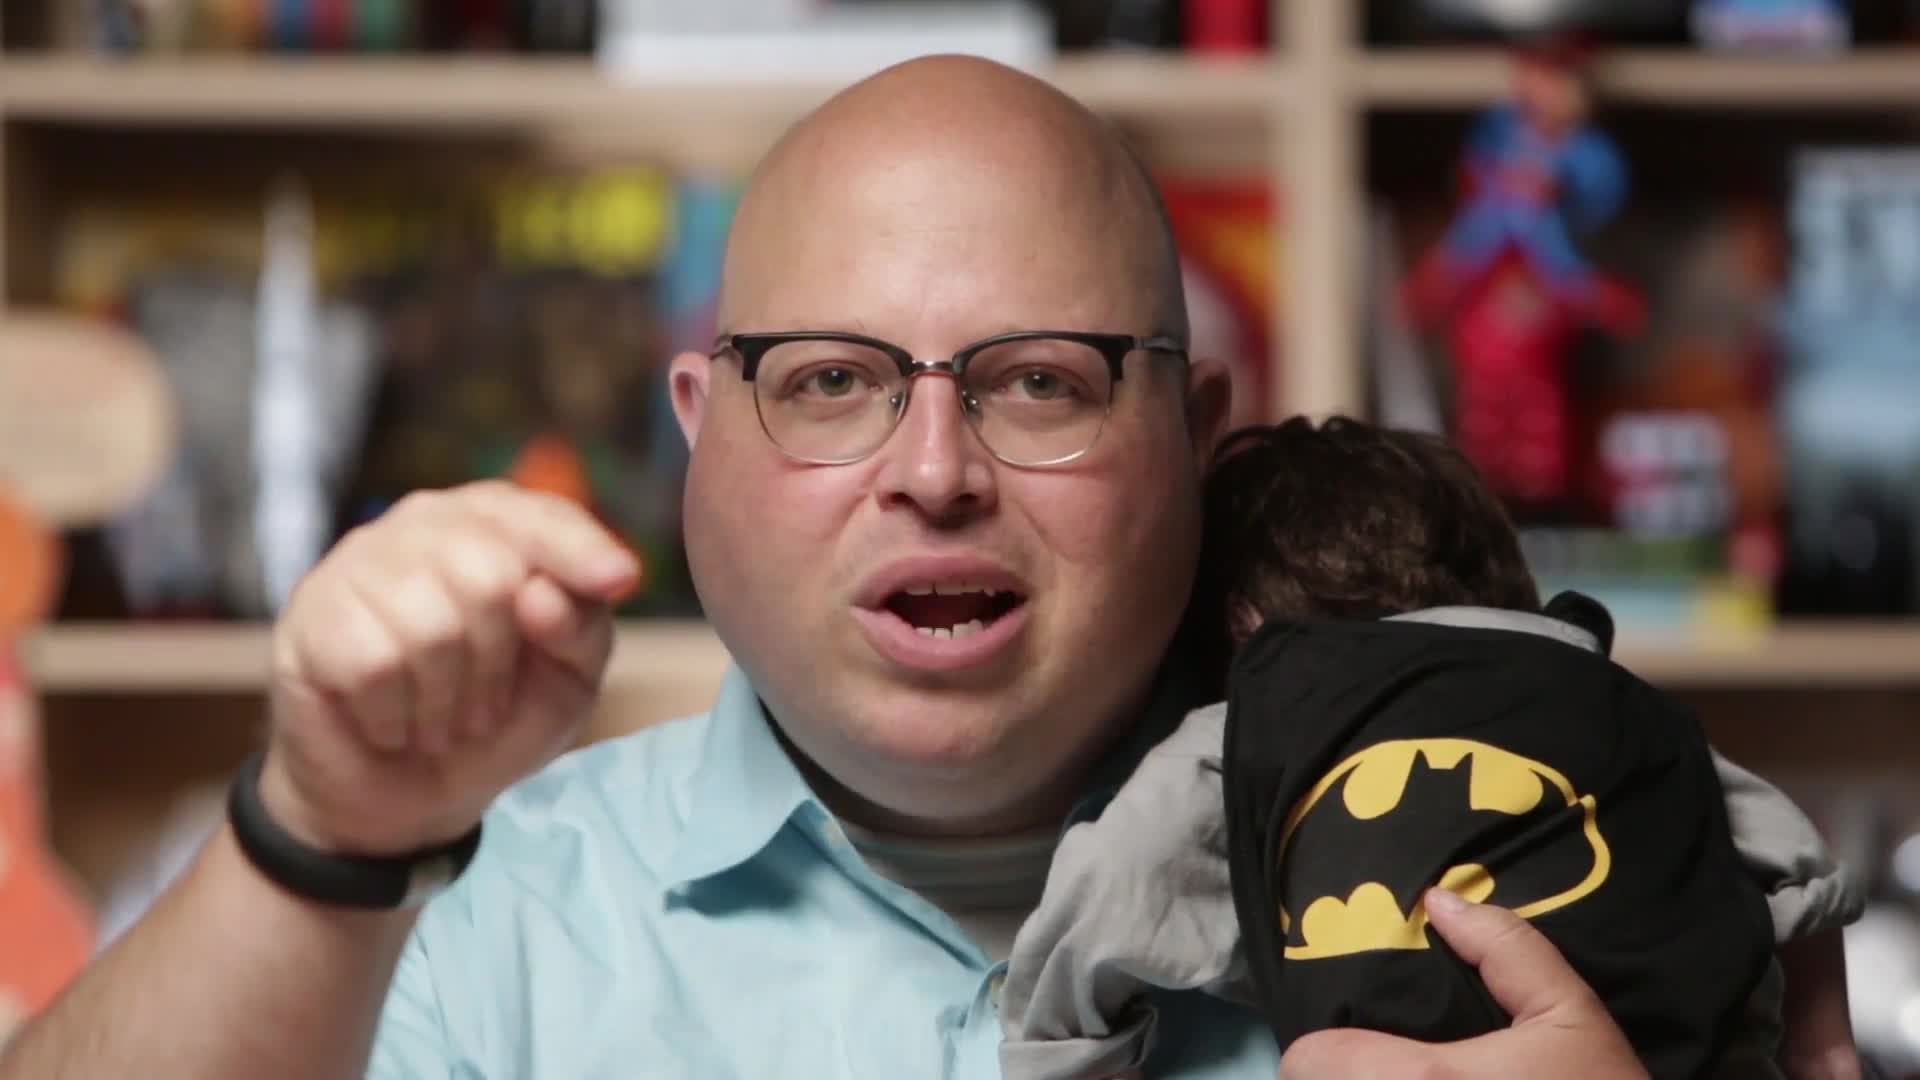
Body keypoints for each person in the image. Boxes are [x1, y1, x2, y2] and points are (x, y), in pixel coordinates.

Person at [0, 57, 1757, 1079]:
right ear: (703, 427)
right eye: (833, 381)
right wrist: (315, 825)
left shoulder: (1535, 837)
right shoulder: (492, 928)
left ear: (1196, 430)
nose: (933, 473)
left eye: (1041, 382)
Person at [998, 418, 1863, 1080]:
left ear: (1243, 631)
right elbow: (1798, 866)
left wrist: (1063, 1051)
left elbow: (1108, 888)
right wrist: (1823, 1050)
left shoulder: (1258, 716)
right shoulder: (1620, 702)